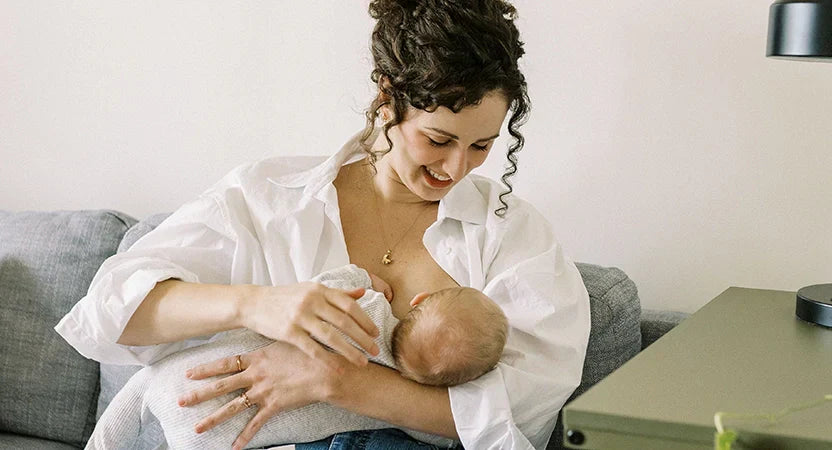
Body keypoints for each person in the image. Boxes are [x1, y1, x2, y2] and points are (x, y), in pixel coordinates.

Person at [55, 0, 590, 448]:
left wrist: (339, 383)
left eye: (482, 146)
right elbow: (112, 311)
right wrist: (258, 304)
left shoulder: (510, 234)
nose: (456, 169)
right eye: (438, 139)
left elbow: (528, 403)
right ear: (387, 100)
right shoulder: (269, 196)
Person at [86, 264, 508, 450]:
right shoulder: (403, 412)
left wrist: (363, 277)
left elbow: (324, 285)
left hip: (173, 375)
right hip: (214, 436)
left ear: (421, 298)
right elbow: (453, 432)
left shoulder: (366, 307)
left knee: (122, 418)